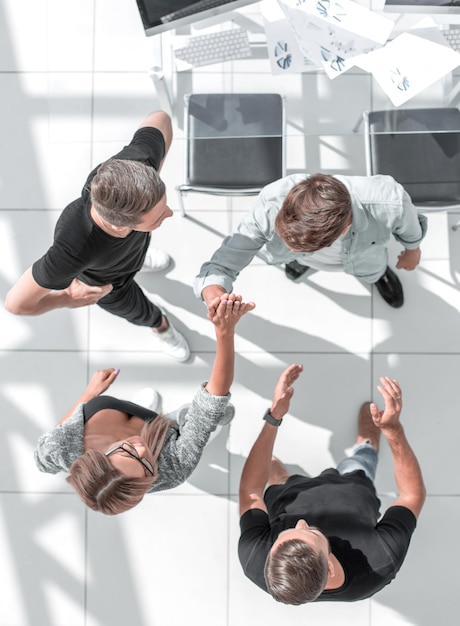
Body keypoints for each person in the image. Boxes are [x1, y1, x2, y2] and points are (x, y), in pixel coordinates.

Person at [34, 293, 255, 515]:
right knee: (220, 415)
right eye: (147, 466)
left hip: (134, 418)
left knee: (166, 420)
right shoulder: (173, 467)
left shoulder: (59, 448)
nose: (141, 447)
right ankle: (158, 419)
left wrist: (89, 394)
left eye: (127, 451)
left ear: (100, 456)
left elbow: (42, 460)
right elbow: (210, 404)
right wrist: (224, 332)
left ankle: (145, 413)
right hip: (168, 431)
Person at [4, 110, 190, 361]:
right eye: (158, 217)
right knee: (143, 312)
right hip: (109, 285)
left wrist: (152, 181)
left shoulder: (138, 163)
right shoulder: (72, 250)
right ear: (117, 225)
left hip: (133, 248)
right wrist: (66, 299)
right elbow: (15, 304)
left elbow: (161, 118)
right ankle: (162, 327)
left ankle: (141, 260)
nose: (169, 214)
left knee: (139, 247)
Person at [238, 365, 425, 603]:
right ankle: (367, 441)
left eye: (285, 533)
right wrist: (393, 430)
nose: (301, 522)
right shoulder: (379, 563)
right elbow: (411, 496)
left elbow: (251, 492)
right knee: (361, 459)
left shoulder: (257, 560)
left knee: (274, 474)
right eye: (312, 532)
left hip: (285, 494)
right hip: (353, 485)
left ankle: (279, 473)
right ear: (330, 565)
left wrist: (274, 416)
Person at [194, 173, 427, 309]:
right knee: (293, 256)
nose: (290, 247)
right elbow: (228, 258)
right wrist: (213, 289)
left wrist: (412, 250)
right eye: (288, 241)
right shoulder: (271, 202)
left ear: (345, 228)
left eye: (302, 248)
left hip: (364, 256)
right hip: (306, 255)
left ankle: (377, 277)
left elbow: (409, 227)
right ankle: (301, 261)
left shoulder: (390, 202)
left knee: (372, 270)